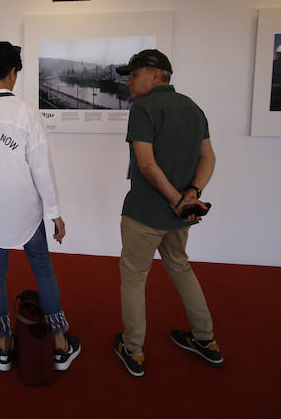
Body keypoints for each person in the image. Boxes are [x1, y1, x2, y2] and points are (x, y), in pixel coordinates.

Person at [0, 41, 81, 373]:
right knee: (42, 268)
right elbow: (40, 166)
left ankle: (3, 347)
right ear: (13, 72)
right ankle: (60, 345)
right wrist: (54, 212)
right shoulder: (26, 111)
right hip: (25, 209)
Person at [111, 49, 222, 378]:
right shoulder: (193, 108)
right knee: (182, 269)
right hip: (178, 219)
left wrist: (178, 198)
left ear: (156, 74)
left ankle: (132, 348)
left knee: (133, 278)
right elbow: (209, 158)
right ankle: (205, 339)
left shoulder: (143, 108)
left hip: (144, 214)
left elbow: (146, 164)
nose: (129, 81)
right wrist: (191, 196)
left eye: (134, 74)